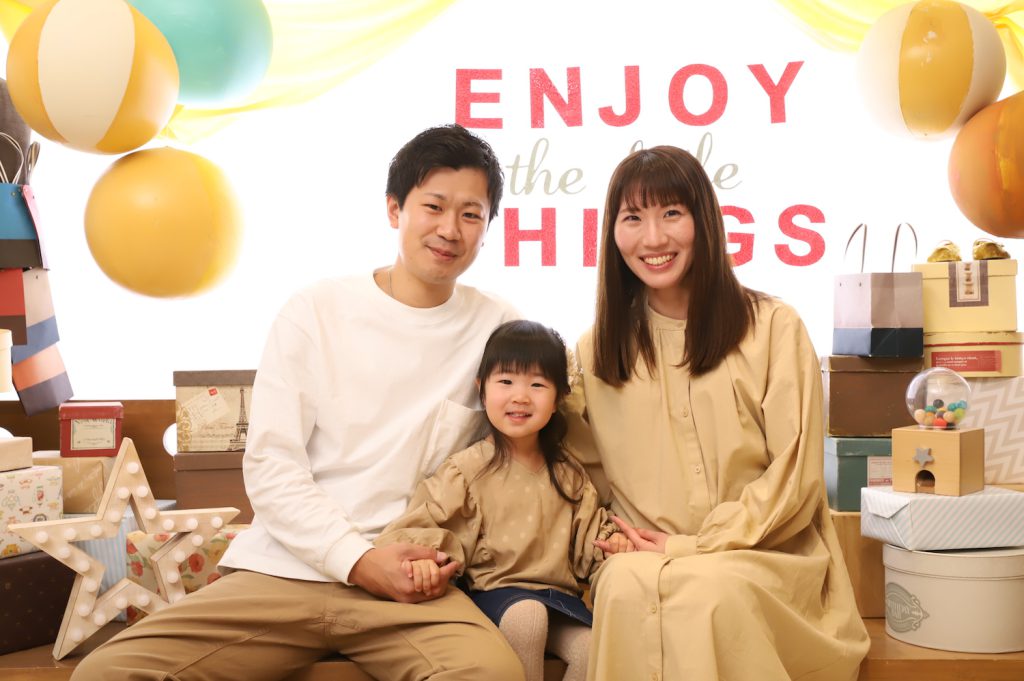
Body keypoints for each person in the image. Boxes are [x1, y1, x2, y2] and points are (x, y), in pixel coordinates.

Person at [71, 124, 526, 681]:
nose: (450, 229)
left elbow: (526, 452)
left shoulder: (498, 326)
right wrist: (357, 560)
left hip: (411, 583)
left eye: (471, 214)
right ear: (394, 209)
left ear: (488, 227)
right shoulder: (317, 310)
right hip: (285, 570)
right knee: (107, 673)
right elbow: (271, 467)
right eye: (433, 206)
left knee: (492, 673)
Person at [564, 145, 871, 681]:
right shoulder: (595, 351)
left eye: (671, 213)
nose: (653, 238)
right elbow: (583, 479)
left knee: (708, 594)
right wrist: (614, 539)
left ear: (704, 220)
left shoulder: (773, 327)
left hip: (765, 552)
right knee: (624, 588)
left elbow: (794, 479)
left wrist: (694, 545)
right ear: (611, 233)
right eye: (632, 218)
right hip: (643, 557)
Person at [375, 320, 633, 681]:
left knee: (593, 648)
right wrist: (422, 563)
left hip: (559, 599)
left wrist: (613, 545)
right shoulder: (467, 470)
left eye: (537, 384)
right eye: (506, 381)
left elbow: (591, 542)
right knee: (527, 616)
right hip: (494, 597)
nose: (520, 396)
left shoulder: (570, 475)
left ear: (559, 397)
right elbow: (424, 524)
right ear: (481, 389)